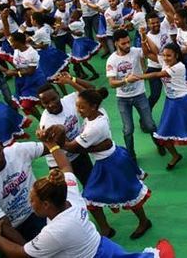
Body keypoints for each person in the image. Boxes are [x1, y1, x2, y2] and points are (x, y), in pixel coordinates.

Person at [0, 125, 175, 258]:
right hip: (104, 248)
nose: (29, 202)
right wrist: (52, 146)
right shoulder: (71, 197)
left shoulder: (54, 231)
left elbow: (21, 254)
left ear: (46, 204)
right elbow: (66, 166)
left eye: (32, 200)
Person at [42, 88, 153, 239]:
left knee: (127, 194)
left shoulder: (93, 128)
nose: (78, 111)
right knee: (93, 197)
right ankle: (107, 228)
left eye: (82, 107)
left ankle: (143, 222)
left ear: (93, 106)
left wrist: (59, 134)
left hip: (110, 163)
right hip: (110, 158)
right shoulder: (98, 114)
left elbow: (72, 147)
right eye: (77, 106)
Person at [139, 38, 187, 169]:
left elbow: (158, 74)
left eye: (169, 55)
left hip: (183, 102)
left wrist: (138, 77)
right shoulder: (164, 62)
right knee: (164, 131)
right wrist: (143, 38)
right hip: (170, 102)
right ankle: (175, 155)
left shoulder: (179, 67)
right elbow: (147, 53)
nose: (165, 58)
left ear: (176, 55)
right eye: (164, 55)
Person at [0, 129, 48, 248]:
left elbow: (52, 147)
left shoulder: (18, 151)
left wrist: (58, 133)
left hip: (42, 212)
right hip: (16, 229)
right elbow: (4, 227)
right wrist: (29, 251)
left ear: (1, 144)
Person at [106, 29, 163, 162]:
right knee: (128, 130)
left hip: (139, 95)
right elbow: (112, 83)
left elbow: (149, 51)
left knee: (150, 125)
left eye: (128, 42)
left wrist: (143, 36)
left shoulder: (136, 51)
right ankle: (131, 155)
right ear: (116, 44)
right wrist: (126, 80)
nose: (127, 45)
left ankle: (160, 145)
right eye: (123, 43)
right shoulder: (112, 60)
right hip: (123, 99)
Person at [37, 72, 95, 186]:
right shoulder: (47, 123)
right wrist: (94, 147)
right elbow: (68, 147)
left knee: (91, 184)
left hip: (78, 153)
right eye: (46, 103)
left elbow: (91, 91)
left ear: (59, 94)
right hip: (59, 163)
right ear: (41, 104)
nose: (51, 104)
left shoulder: (69, 100)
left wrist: (71, 81)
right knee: (67, 195)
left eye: (53, 99)